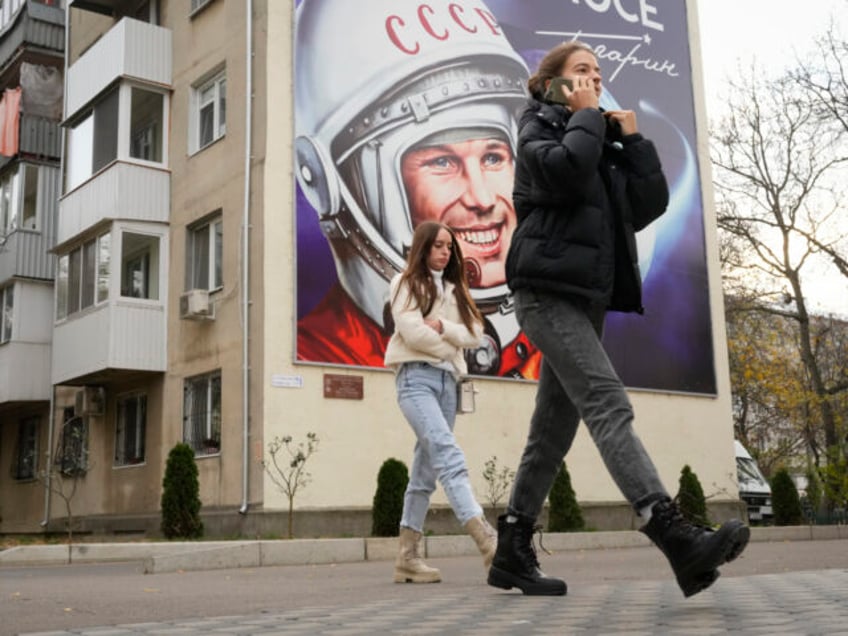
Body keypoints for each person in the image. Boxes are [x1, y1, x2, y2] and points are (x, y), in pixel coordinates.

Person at [486, 41, 750, 598]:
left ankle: (511, 548)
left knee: (550, 433)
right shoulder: (535, 128)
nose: (595, 81)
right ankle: (670, 531)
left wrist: (632, 140)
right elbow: (563, 173)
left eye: (598, 74)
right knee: (609, 403)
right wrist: (586, 119)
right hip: (544, 293)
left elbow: (646, 206)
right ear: (551, 83)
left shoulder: (599, 140)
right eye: (581, 72)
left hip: (584, 299)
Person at [294, 0, 542, 379]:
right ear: (326, 183)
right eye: (442, 163)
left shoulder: (551, 350)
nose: (482, 198)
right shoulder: (316, 355)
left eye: (493, 157)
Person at [384, 221, 497, 583]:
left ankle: (407, 557)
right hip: (415, 379)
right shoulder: (405, 283)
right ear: (423, 248)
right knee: (448, 454)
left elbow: (477, 333)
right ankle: (487, 541)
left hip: (449, 384)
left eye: (449, 246)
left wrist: (445, 329)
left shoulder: (454, 289)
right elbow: (411, 331)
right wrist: (453, 344)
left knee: (425, 472)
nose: (445, 252)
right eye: (437, 245)